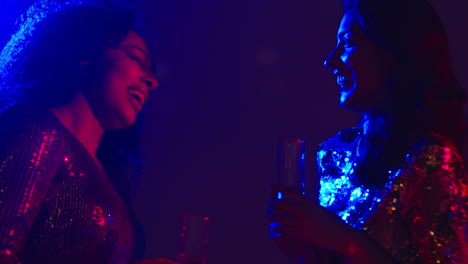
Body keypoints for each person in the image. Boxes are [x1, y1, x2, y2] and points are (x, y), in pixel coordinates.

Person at [267, 0, 468, 263]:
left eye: (347, 42)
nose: (330, 60)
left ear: (393, 50)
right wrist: (310, 251)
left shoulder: (430, 159)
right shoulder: (336, 152)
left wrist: (345, 241)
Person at [0, 0, 178, 263]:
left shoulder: (113, 176)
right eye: (135, 57)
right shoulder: (37, 129)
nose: (151, 80)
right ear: (85, 53)